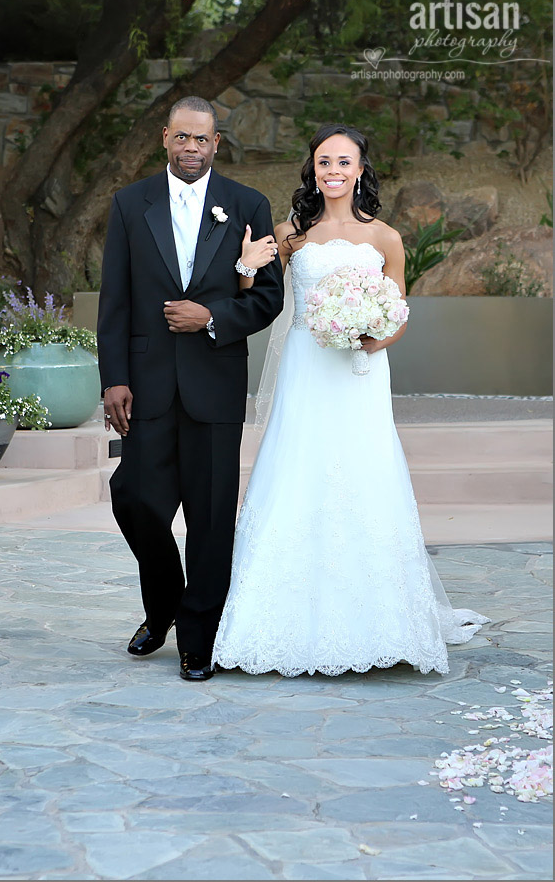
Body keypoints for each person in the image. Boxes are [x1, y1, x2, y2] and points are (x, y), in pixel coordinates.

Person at [212, 123, 488, 677]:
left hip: (360, 372)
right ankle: (273, 623)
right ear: (311, 170)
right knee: (298, 469)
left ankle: (379, 624)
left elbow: (399, 312)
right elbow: (256, 297)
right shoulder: (291, 234)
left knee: (363, 472)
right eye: (323, 162)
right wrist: (245, 264)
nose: (332, 172)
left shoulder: (385, 237)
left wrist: (372, 335)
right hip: (307, 368)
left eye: (343, 162)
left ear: (361, 169)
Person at [97, 96, 284, 681]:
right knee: (133, 497)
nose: (191, 148)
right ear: (165, 139)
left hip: (214, 385)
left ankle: (197, 637)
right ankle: (165, 604)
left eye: (201, 140)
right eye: (181, 138)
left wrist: (209, 319)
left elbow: (266, 297)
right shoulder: (130, 205)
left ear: (217, 144)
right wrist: (115, 379)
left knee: (209, 518)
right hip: (147, 386)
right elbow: (115, 300)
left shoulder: (248, 205)